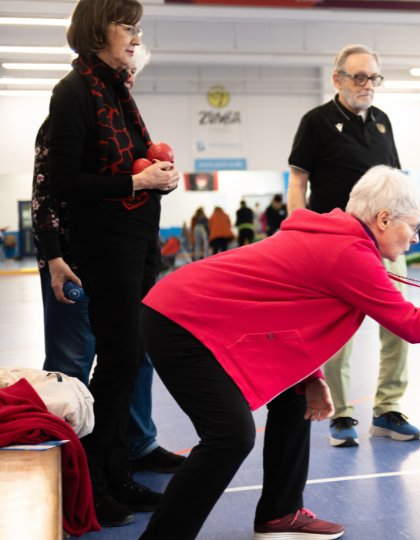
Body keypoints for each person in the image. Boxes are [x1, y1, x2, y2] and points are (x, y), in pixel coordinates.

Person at [136, 166, 420, 540]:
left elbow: (290, 313)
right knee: (230, 436)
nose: (415, 238)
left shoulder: (331, 234)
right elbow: (411, 324)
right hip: (179, 321)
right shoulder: (349, 253)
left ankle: (280, 514)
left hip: (181, 312)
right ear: (384, 219)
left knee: (293, 401)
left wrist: (312, 378)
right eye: (413, 228)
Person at [30, 37, 184, 496]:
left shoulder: (122, 117)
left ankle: (135, 444)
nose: (128, 79)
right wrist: (54, 257)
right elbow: (48, 192)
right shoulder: (69, 111)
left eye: (135, 75)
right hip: (75, 258)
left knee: (131, 355)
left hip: (120, 253)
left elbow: (124, 186)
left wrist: (156, 181)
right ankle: (70, 463)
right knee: (75, 360)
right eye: (126, 70)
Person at [287, 44, 419, 448]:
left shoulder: (382, 122)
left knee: (399, 325)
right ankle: (341, 415)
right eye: (359, 77)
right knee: (337, 334)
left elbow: (395, 181)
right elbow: (297, 184)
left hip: (384, 244)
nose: (368, 85)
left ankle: (387, 409)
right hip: (336, 246)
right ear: (338, 79)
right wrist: (299, 232)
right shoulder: (316, 122)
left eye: (374, 77)